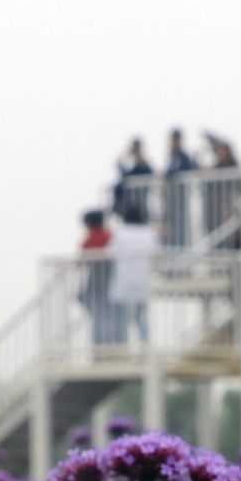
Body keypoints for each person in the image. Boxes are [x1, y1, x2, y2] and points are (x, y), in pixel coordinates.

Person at [109, 199, 156, 344]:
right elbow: (155, 251)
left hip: (124, 277)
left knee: (122, 316)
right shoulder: (147, 232)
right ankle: (144, 342)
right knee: (142, 314)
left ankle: (122, 343)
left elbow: (110, 252)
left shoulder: (121, 233)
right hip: (142, 277)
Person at [77, 208, 120, 345]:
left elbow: (82, 259)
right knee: (107, 308)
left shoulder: (90, 239)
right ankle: (110, 337)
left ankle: (101, 337)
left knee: (87, 299)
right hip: (111, 276)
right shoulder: (110, 235)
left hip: (97, 277)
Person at [201, 132, 241, 248]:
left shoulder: (232, 167)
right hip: (217, 214)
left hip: (231, 211)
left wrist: (231, 206)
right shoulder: (218, 167)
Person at [161, 128, 196, 248]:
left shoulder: (183, 157)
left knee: (180, 227)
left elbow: (180, 171)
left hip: (180, 199)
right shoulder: (171, 156)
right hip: (170, 200)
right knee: (168, 228)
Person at [112, 138, 153, 223]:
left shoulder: (143, 164)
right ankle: (118, 208)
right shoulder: (133, 166)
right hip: (128, 201)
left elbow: (150, 172)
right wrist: (125, 155)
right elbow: (123, 172)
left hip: (139, 200)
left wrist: (141, 159)